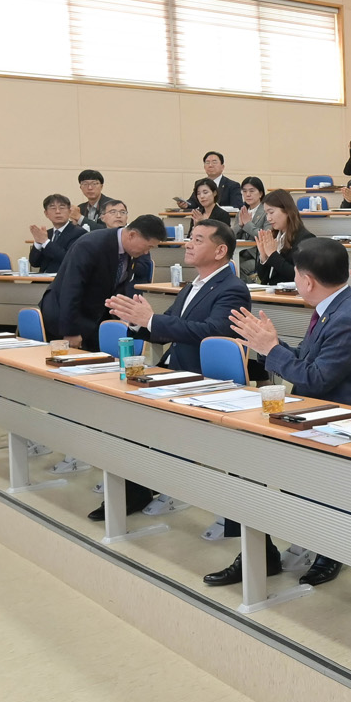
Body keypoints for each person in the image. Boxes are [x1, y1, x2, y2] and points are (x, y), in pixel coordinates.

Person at [224, 238, 351, 589]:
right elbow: (308, 362)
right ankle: (259, 551)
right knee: (242, 454)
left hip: (340, 420)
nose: (294, 281)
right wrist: (271, 345)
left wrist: (270, 349)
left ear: (307, 281)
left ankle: (329, 548)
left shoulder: (348, 317)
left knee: (258, 458)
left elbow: (316, 378)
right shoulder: (332, 306)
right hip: (314, 410)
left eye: (295, 274)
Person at [101, 219, 251, 520]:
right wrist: (137, 322)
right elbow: (166, 329)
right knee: (124, 412)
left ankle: (160, 488)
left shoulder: (233, 288)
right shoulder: (192, 285)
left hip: (205, 379)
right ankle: (137, 491)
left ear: (220, 251)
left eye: (198, 240)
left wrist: (151, 319)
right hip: (175, 373)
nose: (188, 244)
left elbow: (211, 332)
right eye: (190, 238)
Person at [39, 213, 164, 354]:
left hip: (94, 316)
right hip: (65, 318)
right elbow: (71, 289)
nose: (147, 252)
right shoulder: (90, 245)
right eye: (148, 247)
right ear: (132, 235)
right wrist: (71, 331)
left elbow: (116, 285)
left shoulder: (130, 251)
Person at [255, 189, 312, 286]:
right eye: (266, 213)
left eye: (271, 212)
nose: (268, 218)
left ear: (287, 211)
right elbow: (263, 279)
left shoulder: (305, 239)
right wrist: (264, 257)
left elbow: (298, 276)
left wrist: (273, 255)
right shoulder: (273, 237)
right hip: (270, 292)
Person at [28, 194, 83, 273]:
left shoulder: (79, 233)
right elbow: (34, 263)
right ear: (46, 213)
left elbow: (69, 259)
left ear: (69, 212)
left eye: (62, 208)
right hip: (42, 279)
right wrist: (38, 243)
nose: (57, 212)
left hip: (63, 279)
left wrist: (46, 242)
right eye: (53, 208)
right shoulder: (47, 234)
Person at [232, 177, 268, 281]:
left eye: (252, 191)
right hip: (240, 253)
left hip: (257, 255)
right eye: (244, 191)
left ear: (260, 193)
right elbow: (232, 235)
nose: (248, 194)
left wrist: (248, 224)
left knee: (238, 267)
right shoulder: (242, 212)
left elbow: (265, 236)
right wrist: (240, 225)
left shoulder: (266, 212)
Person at [177, 152, 241, 210]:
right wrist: (186, 204)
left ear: (222, 167)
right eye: (207, 162)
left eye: (214, 162)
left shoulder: (232, 185)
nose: (210, 165)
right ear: (204, 167)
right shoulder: (199, 183)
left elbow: (237, 206)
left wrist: (215, 209)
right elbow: (193, 202)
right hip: (203, 218)